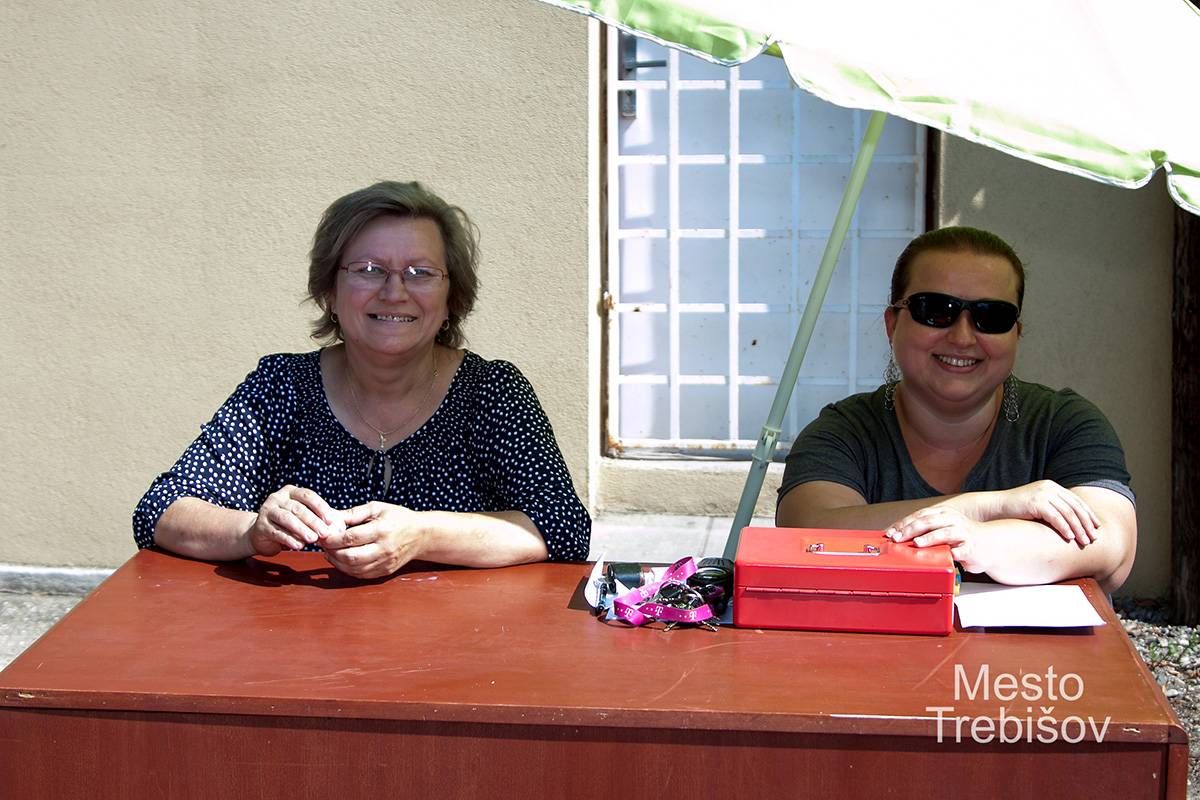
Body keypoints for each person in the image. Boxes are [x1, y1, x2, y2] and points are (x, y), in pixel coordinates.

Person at [133, 180, 591, 578]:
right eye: (369, 270)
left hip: (456, 642)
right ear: (331, 292)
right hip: (300, 637)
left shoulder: (491, 392)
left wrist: (423, 534)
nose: (394, 291)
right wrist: (252, 530)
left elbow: (563, 525)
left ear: (451, 298)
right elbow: (161, 511)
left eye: (421, 272)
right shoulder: (282, 385)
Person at [776, 226, 1136, 593]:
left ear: (1016, 333)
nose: (962, 337)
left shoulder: (1065, 424)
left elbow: (1112, 546)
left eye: (991, 316)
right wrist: (986, 507)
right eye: (935, 310)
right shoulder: (842, 432)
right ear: (892, 323)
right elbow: (806, 535)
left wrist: (979, 541)